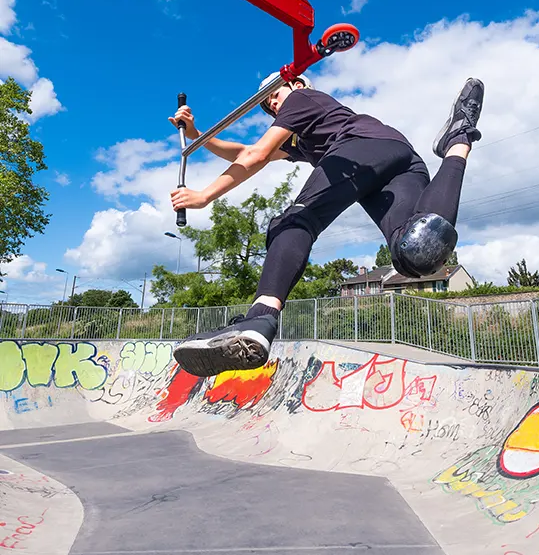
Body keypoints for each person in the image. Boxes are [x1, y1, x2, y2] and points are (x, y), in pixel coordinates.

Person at [169, 73, 484, 377]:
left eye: (274, 97)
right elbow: (241, 152)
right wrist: (198, 136)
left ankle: (260, 318)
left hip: (362, 147)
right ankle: (458, 139)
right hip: (399, 160)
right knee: (419, 249)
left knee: (294, 221)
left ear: (294, 83)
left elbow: (256, 154)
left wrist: (203, 196)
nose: (273, 107)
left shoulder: (302, 98)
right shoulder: (304, 135)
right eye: (267, 107)